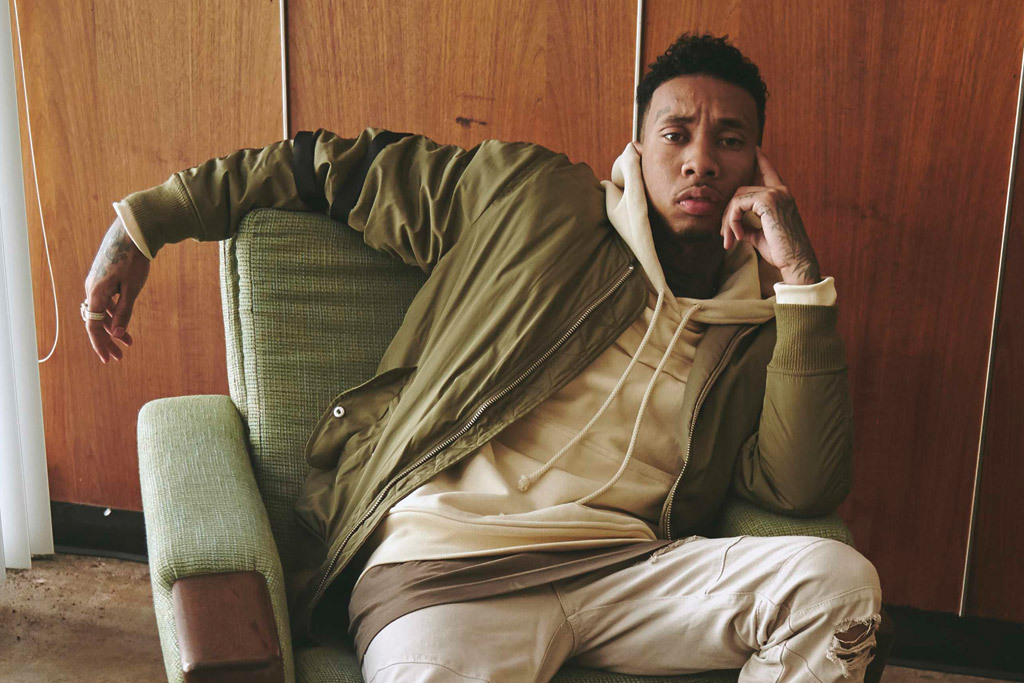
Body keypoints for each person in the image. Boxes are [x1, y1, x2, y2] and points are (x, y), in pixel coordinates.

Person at [84, 32, 882, 682]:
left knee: (840, 586)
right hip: (446, 568)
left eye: (729, 140)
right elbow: (327, 167)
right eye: (676, 134)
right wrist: (145, 225)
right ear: (638, 150)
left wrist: (801, 281)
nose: (700, 160)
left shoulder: (761, 329)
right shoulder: (531, 197)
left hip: (628, 573)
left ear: (757, 166)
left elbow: (801, 486)